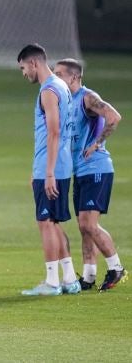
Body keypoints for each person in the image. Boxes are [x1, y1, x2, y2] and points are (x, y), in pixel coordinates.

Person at [53, 58, 127, 291]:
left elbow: (114, 117)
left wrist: (97, 144)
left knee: (89, 224)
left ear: (74, 77)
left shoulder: (87, 98)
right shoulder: (65, 101)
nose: (56, 78)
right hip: (79, 170)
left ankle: (116, 267)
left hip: (97, 168)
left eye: (59, 74)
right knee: (83, 227)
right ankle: (88, 276)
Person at [17, 44, 81, 296]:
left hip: (52, 167)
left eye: (23, 68)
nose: (23, 73)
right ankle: (68, 279)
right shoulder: (62, 86)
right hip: (58, 164)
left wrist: (49, 172)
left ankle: (52, 282)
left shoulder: (48, 90)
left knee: (45, 222)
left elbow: (54, 132)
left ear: (33, 63)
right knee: (53, 222)